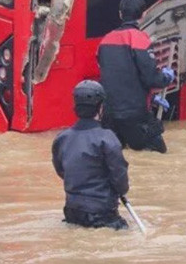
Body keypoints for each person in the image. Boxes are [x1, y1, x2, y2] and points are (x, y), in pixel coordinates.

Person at [97, 0, 175, 153]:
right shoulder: (140, 39)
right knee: (160, 156)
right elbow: (151, 78)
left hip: (109, 116)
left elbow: (115, 77)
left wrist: (152, 97)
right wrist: (166, 77)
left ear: (120, 14)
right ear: (144, 14)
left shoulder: (105, 41)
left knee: (116, 158)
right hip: (135, 115)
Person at [51, 80, 130, 230]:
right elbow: (120, 177)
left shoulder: (62, 138)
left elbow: (62, 171)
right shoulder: (107, 138)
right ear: (100, 108)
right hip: (102, 213)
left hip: (72, 211)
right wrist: (119, 190)